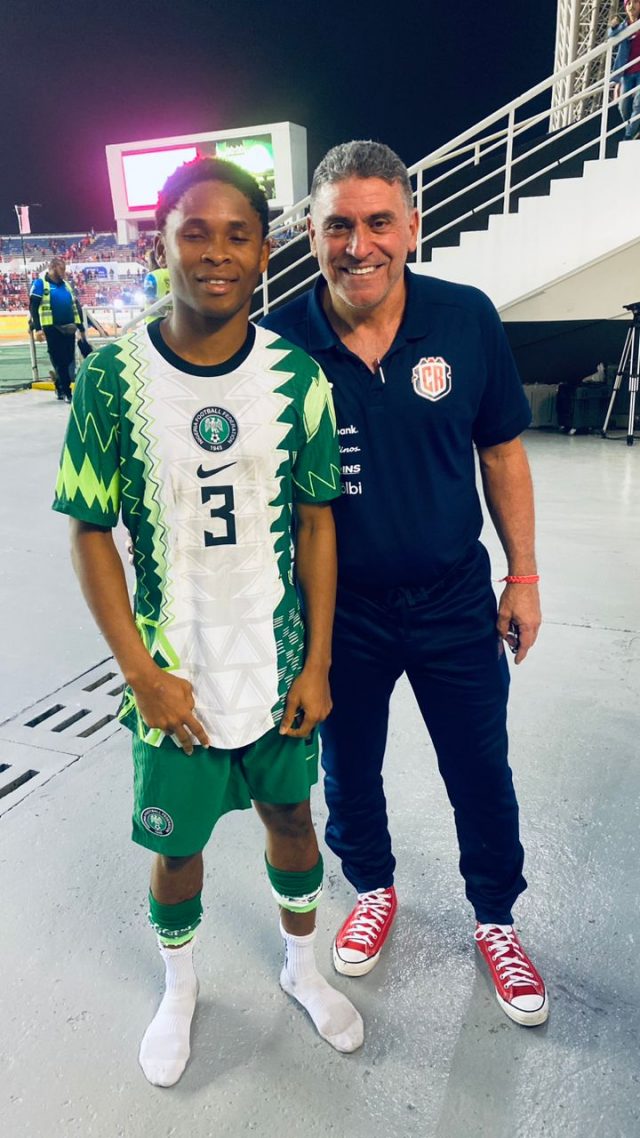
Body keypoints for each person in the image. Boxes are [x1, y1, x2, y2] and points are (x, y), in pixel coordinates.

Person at [52, 156, 362, 1088]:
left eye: (237, 235)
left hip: (276, 668)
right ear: (161, 245)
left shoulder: (298, 377)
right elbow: (89, 532)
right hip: (173, 679)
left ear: (265, 253)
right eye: (195, 233)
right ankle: (180, 989)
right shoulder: (111, 378)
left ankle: (302, 967)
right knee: (176, 847)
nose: (217, 253)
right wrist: (141, 674)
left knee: (293, 819)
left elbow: (316, 522)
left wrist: (318, 665)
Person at [261, 140, 548, 1028]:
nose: (360, 246)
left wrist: (523, 575)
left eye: (379, 222)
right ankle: (373, 886)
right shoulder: (280, 346)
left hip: (453, 598)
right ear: (311, 234)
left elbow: (501, 452)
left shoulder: (465, 319)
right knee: (348, 768)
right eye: (338, 226)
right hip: (338, 612)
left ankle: (495, 917)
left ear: (413, 227)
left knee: (480, 766)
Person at [29, 257, 88, 401]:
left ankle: (59, 384)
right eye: (62, 269)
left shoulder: (66, 285)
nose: (64, 272)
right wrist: (38, 329)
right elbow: (33, 307)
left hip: (69, 327)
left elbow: (75, 306)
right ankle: (67, 392)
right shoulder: (40, 284)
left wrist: (81, 328)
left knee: (68, 359)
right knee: (60, 360)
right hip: (52, 328)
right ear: (53, 268)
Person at [609, 0, 640, 140]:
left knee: (638, 103)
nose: (631, 6)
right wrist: (613, 27)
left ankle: (629, 135)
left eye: (635, 2)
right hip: (626, 73)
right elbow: (611, 35)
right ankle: (633, 129)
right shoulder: (623, 27)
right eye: (628, 3)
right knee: (623, 106)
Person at [143, 247, 171, 321]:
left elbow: (150, 300)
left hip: (155, 320)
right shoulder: (179, 275)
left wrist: (165, 313)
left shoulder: (152, 276)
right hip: (176, 320)